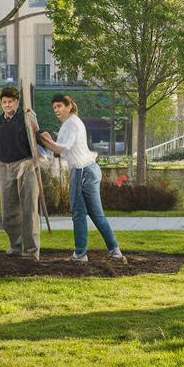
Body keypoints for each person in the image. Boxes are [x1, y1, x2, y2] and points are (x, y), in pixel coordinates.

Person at [40, 94, 124, 262]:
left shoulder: (72, 124)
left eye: (59, 106)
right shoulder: (70, 123)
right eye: (54, 107)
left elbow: (62, 148)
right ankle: (115, 251)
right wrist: (48, 140)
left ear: (69, 106)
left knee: (78, 213)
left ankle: (80, 254)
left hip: (82, 171)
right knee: (96, 214)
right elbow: (62, 150)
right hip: (89, 169)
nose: (56, 110)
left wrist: (44, 139)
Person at [0, 86, 45, 260]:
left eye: (10, 102)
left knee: (29, 209)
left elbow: (36, 134)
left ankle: (31, 252)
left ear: (16, 102)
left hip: (26, 165)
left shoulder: (25, 118)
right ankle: (16, 246)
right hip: (5, 167)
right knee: (8, 212)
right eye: (4, 102)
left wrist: (33, 118)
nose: (7, 105)